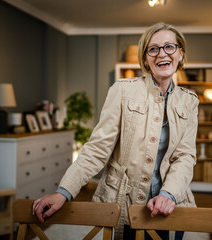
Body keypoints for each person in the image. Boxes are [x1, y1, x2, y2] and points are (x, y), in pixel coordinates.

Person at [32, 22, 199, 240]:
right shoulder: (122, 90)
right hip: (121, 203)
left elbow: (185, 156)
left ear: (180, 54)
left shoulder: (190, 101)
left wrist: (169, 194)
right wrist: (64, 191)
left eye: (169, 47)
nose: (161, 54)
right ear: (146, 59)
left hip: (170, 204)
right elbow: (97, 149)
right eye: (153, 49)